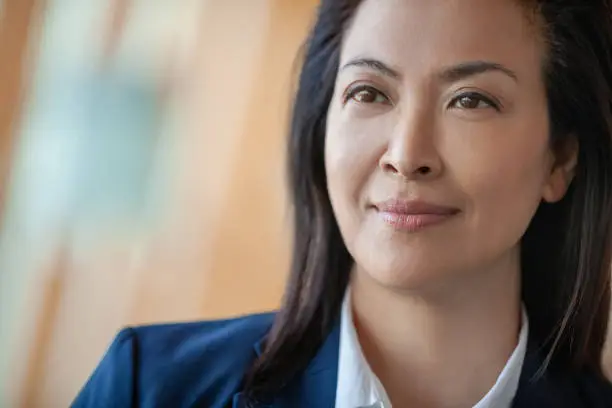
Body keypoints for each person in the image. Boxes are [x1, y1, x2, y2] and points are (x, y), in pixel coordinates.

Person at [72, 0, 612, 407]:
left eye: (471, 100)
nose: (406, 155)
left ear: (560, 159)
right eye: (369, 93)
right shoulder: (151, 388)